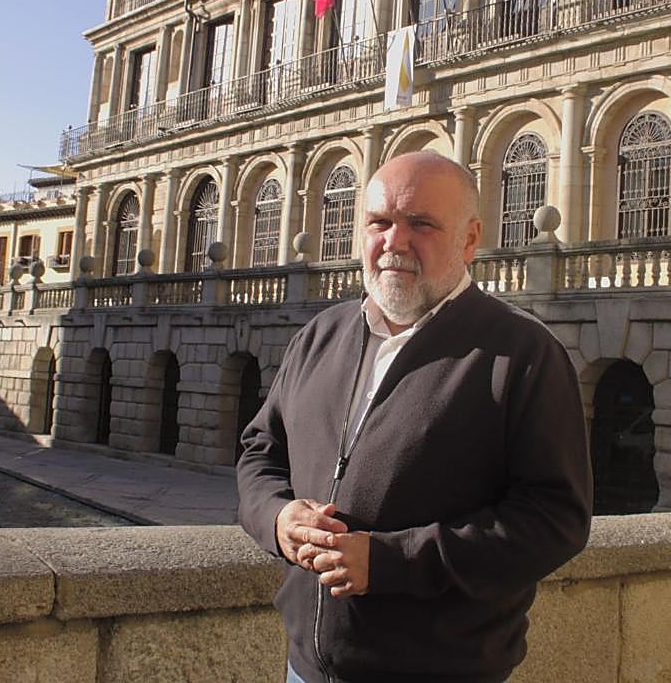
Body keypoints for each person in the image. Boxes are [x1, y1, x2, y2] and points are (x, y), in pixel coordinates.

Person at [237, 151, 592, 683]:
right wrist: (277, 519)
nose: (394, 243)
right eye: (379, 222)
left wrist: (392, 562)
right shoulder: (318, 337)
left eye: (421, 224)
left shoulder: (521, 353)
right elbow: (260, 452)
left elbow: (555, 521)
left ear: (469, 240)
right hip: (304, 670)